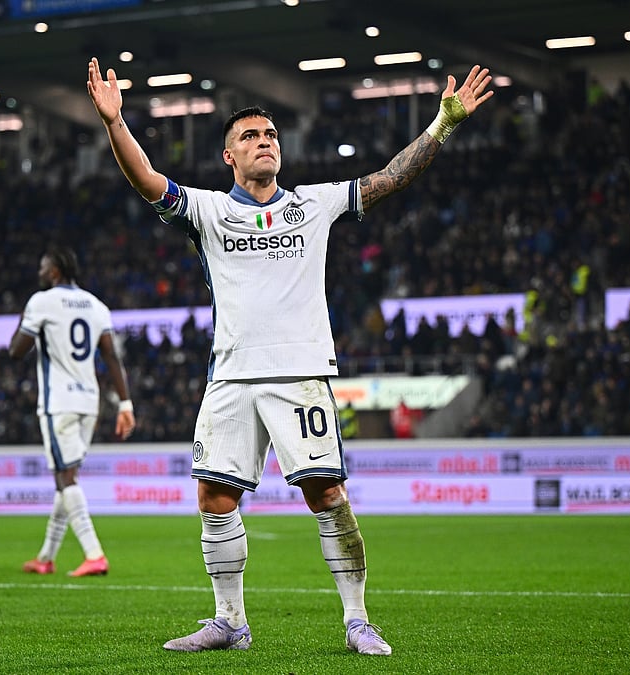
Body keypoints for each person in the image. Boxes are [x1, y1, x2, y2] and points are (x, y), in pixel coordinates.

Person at [87, 56, 493, 656]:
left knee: (327, 496)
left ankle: (357, 620)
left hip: (299, 376)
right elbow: (147, 179)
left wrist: (443, 124)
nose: (265, 142)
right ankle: (230, 621)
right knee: (214, 498)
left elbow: (389, 178)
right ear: (229, 156)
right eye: (251, 136)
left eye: (271, 134)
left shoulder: (314, 204)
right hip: (231, 378)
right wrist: (115, 122)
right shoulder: (210, 212)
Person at [9, 247, 136, 578]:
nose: (39, 273)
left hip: (60, 403)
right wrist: (125, 404)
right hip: (89, 403)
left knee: (65, 477)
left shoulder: (42, 301)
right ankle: (46, 557)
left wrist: (26, 318)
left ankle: (94, 554)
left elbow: (16, 351)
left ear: (54, 272)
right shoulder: (96, 305)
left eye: (43, 267)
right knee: (65, 479)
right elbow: (111, 356)